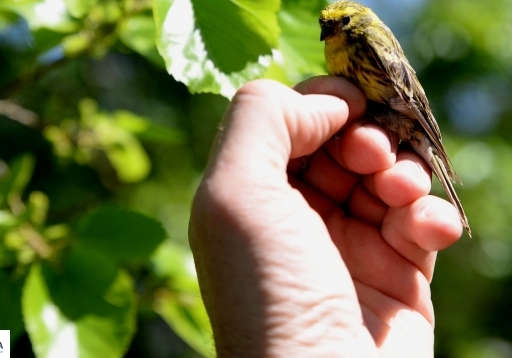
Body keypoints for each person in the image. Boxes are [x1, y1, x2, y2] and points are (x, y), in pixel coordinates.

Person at [189, 77, 463, 357]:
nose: (326, 37)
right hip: (365, 155)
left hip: (403, 127)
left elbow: (409, 100)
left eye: (333, 28)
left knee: (382, 160)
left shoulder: (368, 39)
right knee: (377, 156)